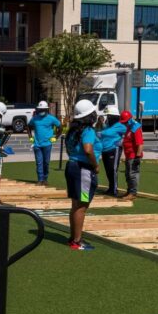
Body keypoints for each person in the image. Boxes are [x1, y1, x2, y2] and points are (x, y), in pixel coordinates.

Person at [65, 99, 100, 251]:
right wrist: (95, 165)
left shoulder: (73, 130)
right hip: (83, 170)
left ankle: (73, 237)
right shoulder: (88, 131)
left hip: (72, 166)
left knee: (75, 205)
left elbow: (70, 149)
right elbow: (88, 149)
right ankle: (77, 241)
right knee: (82, 205)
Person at [28, 101, 61, 186]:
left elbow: (60, 127)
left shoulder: (51, 118)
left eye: (43, 109)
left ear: (46, 110)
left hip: (47, 144)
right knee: (39, 162)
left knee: (46, 162)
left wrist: (55, 137)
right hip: (37, 144)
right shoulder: (35, 118)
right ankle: (40, 179)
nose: (41, 111)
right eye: (40, 109)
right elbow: (28, 127)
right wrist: (30, 137)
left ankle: (45, 178)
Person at [97, 109, 127, 196]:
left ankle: (114, 189)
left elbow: (130, 132)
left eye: (109, 116)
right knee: (108, 170)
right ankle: (110, 188)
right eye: (108, 116)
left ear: (114, 117)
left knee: (112, 170)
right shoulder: (108, 125)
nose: (108, 118)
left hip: (114, 149)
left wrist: (122, 140)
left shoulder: (120, 126)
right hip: (105, 150)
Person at [119, 110, 144, 200]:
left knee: (132, 174)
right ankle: (129, 191)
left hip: (134, 156)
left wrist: (137, 157)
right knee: (128, 174)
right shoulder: (130, 128)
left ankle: (133, 193)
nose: (124, 124)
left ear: (129, 120)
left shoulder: (136, 129)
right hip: (129, 155)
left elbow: (140, 144)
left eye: (125, 122)